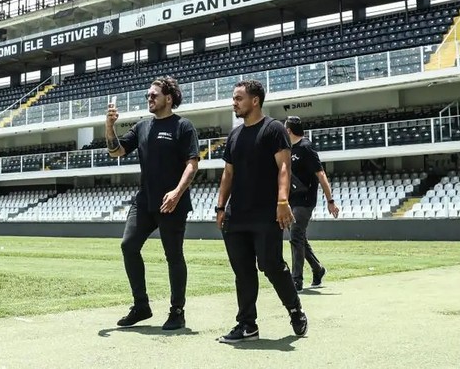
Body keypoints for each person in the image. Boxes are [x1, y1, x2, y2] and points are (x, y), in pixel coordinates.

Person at [214, 79, 308, 343]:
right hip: (236, 215)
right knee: (243, 271)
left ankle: (295, 309)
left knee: (271, 266)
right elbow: (228, 174)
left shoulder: (273, 129)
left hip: (266, 214)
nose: (234, 102)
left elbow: (284, 168)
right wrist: (220, 207)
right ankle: (247, 325)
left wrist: (282, 201)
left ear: (255, 101)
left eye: (238, 98)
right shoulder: (234, 135)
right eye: (234, 98)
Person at [106, 76, 200, 331]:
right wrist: (109, 125)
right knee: (128, 246)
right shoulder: (142, 127)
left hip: (173, 203)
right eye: (148, 95)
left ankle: (177, 311)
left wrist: (177, 193)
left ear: (168, 98)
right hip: (145, 200)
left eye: (154, 95)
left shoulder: (183, 126)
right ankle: (141, 306)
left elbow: (192, 164)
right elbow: (116, 151)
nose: (149, 98)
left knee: (173, 256)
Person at [285, 115, 340, 291]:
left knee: (295, 236)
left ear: (288, 130)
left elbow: (321, 174)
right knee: (299, 238)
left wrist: (330, 200)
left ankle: (296, 280)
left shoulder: (306, 148)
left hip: (305, 200)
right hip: (290, 200)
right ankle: (318, 269)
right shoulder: (288, 149)